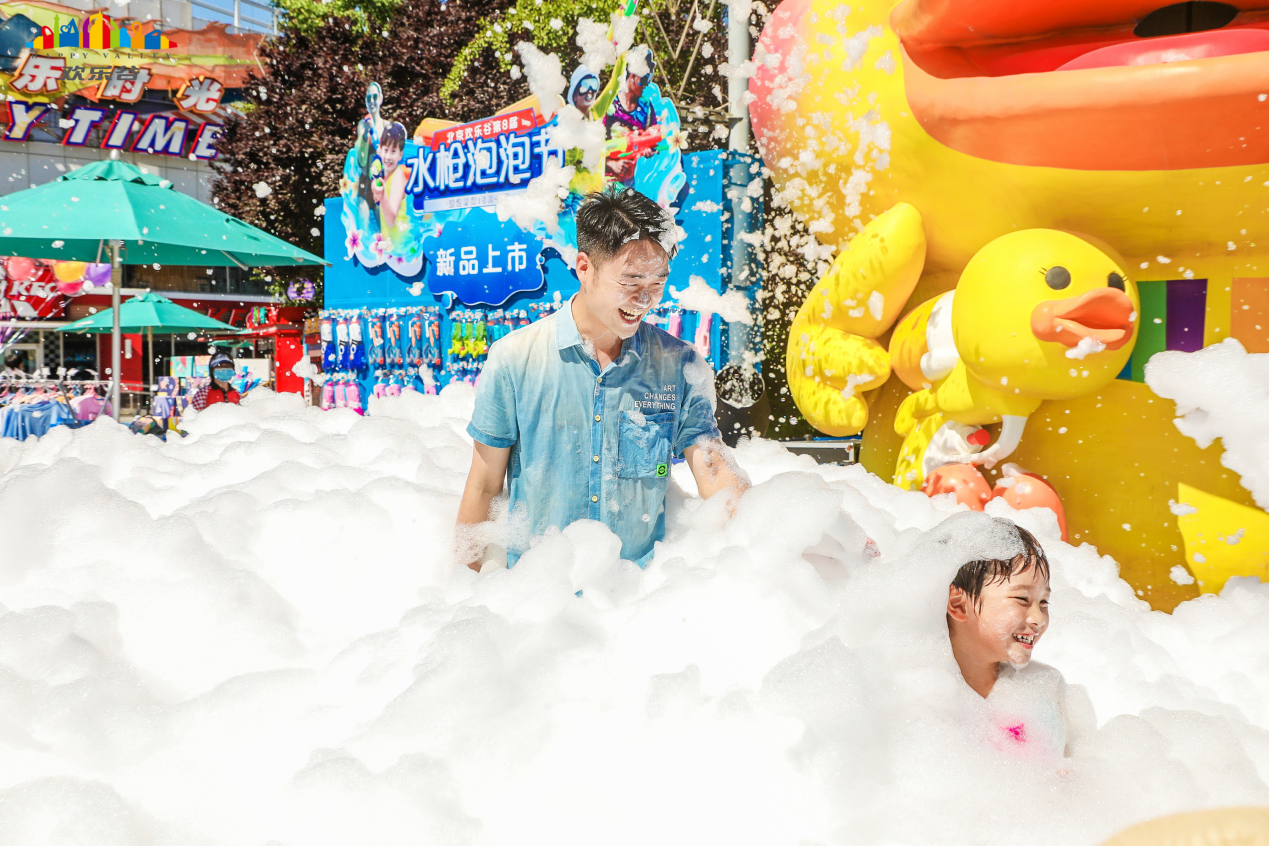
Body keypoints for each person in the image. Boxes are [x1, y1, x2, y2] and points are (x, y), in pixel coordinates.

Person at [457, 186, 749, 571]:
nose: (645, 299)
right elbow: (484, 488)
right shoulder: (514, 359)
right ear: (584, 267)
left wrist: (772, 530)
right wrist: (464, 592)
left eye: (657, 283)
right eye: (630, 281)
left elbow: (714, 471)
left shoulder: (679, 365)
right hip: (537, 592)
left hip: (636, 594)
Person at [946, 521, 1093, 757]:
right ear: (960, 605)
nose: (1039, 619)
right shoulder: (919, 693)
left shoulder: (1044, 688)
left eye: (1043, 602)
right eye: (1022, 599)